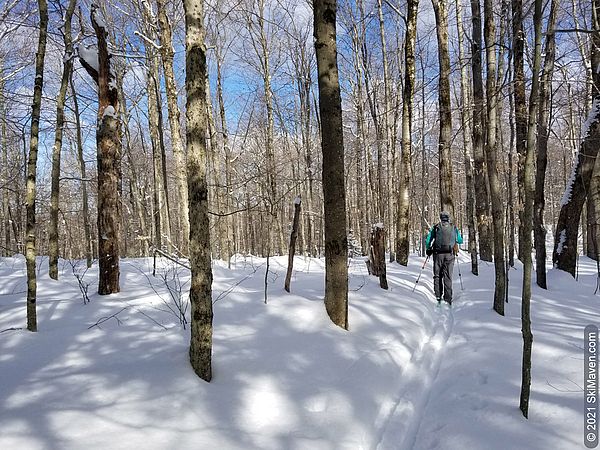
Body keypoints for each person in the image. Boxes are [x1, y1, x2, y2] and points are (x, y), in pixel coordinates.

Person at [424, 211, 463, 305]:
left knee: (437, 275)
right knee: (448, 276)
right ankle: (448, 298)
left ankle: (438, 295)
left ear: (440, 218)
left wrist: (428, 248)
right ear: (448, 218)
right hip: (450, 255)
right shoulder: (453, 227)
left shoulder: (436, 227)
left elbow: (428, 239)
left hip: (438, 254)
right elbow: (460, 240)